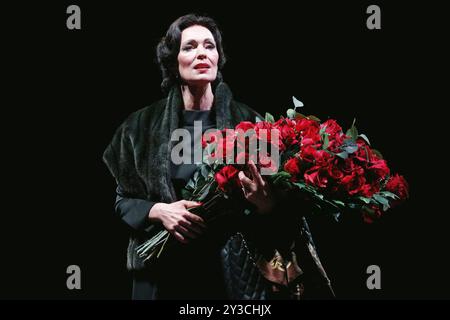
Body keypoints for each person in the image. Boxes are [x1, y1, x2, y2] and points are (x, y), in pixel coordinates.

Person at [103, 13, 334, 300]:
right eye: (189, 47)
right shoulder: (139, 127)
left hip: (233, 273)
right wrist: (159, 211)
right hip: (160, 275)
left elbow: (284, 214)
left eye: (209, 46)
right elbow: (121, 201)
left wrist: (266, 205)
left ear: (218, 57)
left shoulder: (251, 123)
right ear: (173, 61)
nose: (201, 53)